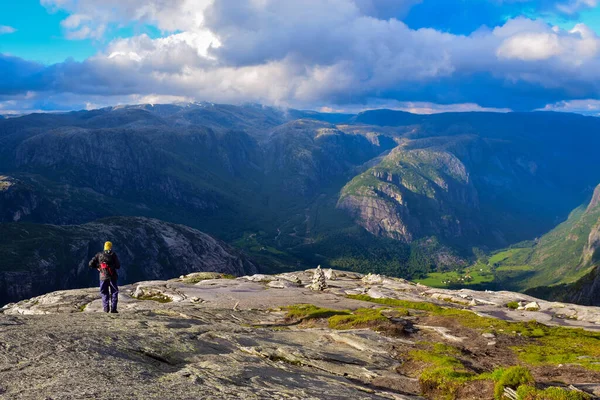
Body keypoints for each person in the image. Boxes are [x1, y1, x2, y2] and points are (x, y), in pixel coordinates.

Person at [89, 241, 121, 313]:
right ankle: (113, 309)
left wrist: (98, 267)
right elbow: (118, 266)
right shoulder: (113, 255)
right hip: (112, 277)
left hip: (103, 277)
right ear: (111, 247)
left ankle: (106, 309)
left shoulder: (99, 255)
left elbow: (90, 264)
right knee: (114, 292)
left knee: (104, 293)